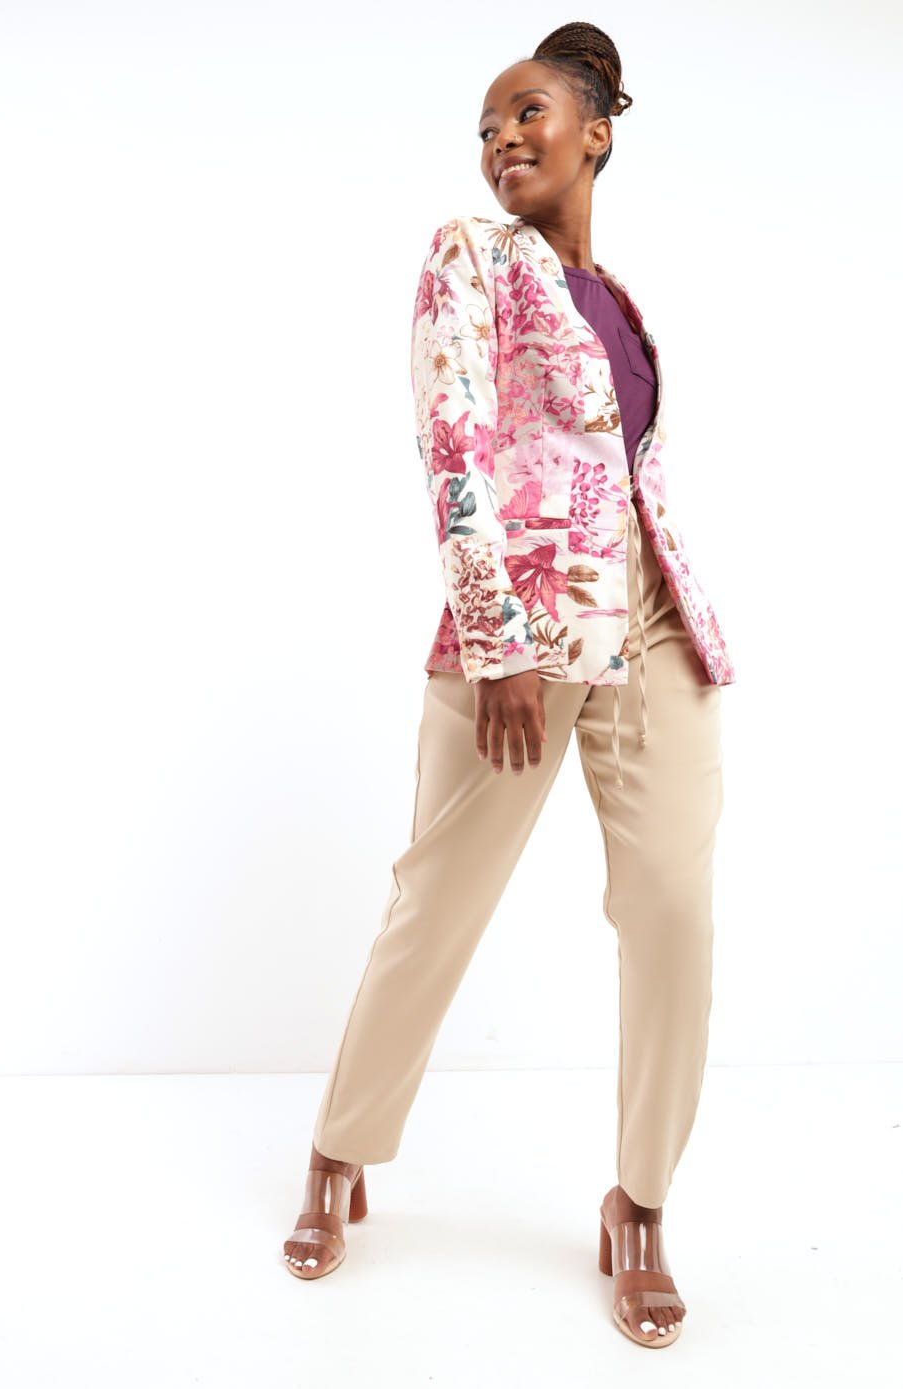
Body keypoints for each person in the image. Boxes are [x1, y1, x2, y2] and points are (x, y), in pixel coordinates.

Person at [282, 21, 735, 1351]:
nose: (502, 141)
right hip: (522, 635)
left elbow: (626, 472)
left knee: (673, 912)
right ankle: (339, 1148)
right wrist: (497, 645)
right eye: (486, 127)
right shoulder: (469, 256)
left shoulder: (621, 303)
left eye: (528, 113)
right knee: (440, 901)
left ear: (598, 129)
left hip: (655, 623)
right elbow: (454, 445)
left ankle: (637, 1202)